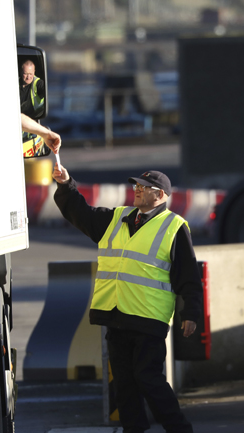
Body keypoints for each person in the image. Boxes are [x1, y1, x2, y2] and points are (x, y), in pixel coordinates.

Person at [53, 166, 200, 433]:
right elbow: (80, 213)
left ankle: (180, 430)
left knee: (148, 379)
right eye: (136, 186)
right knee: (123, 385)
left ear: (160, 195)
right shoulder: (117, 218)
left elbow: (188, 275)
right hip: (116, 314)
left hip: (148, 319)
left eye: (143, 187)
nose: (137, 190)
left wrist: (190, 313)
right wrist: (66, 184)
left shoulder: (174, 227)